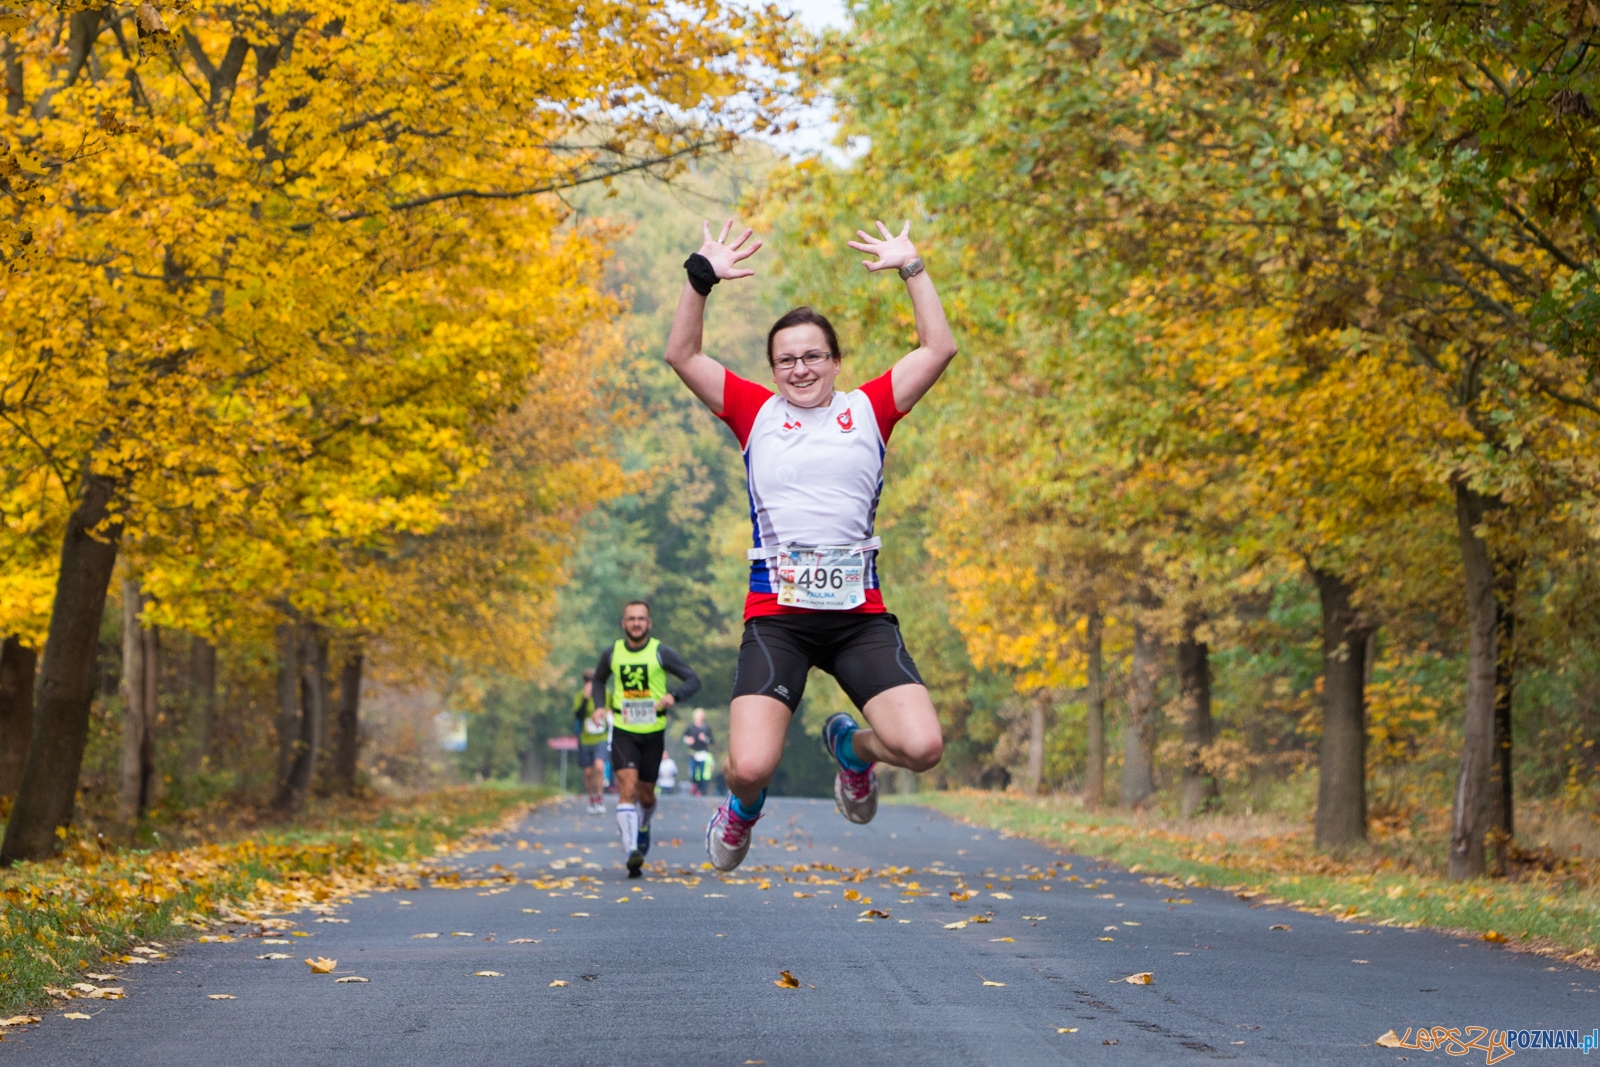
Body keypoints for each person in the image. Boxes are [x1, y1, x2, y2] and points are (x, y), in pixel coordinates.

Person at [664, 218, 956, 872]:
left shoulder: (870, 409)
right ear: (773, 369)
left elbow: (938, 347)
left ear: (835, 361)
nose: (800, 368)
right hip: (779, 619)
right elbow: (682, 354)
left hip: (858, 618)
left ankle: (853, 751)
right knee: (749, 765)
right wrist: (699, 278)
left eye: (813, 355)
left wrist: (913, 268)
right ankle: (741, 809)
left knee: (924, 746)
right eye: (787, 358)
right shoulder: (754, 412)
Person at [592, 600, 702, 877]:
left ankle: (643, 825)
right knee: (626, 788)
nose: (636, 623)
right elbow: (598, 680)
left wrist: (673, 695)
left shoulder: (660, 652)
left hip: (653, 732)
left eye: (641, 618)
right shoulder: (612, 653)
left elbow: (693, 679)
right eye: (631, 618)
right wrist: (598, 706)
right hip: (623, 730)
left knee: (646, 794)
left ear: (649, 624)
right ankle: (632, 851)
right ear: (624, 623)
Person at [574, 669, 610, 815]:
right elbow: (578, 715)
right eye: (587, 681)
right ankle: (591, 800)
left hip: (601, 737)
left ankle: (600, 798)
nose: (590, 683)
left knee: (599, 767)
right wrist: (585, 698)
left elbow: (611, 709)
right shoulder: (580, 696)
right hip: (585, 738)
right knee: (588, 772)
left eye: (592, 681)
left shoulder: (605, 694)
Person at [681, 708, 715, 797]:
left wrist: (705, 739)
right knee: (692, 772)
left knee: (701, 773)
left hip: (702, 754)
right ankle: (694, 785)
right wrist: (688, 740)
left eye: (700, 716)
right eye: (697, 716)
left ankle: (699, 790)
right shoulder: (690, 727)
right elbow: (684, 737)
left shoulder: (706, 728)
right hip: (692, 753)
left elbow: (711, 740)